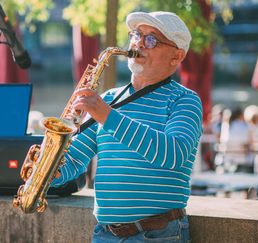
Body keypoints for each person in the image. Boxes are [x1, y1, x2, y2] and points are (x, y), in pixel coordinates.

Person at [50, 11, 203, 242]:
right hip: (105, 233)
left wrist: (108, 116)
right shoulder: (108, 100)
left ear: (176, 56)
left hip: (158, 234)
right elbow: (73, 161)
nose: (138, 43)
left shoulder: (185, 100)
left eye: (151, 39)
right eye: (136, 35)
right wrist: (46, 169)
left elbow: (174, 154)